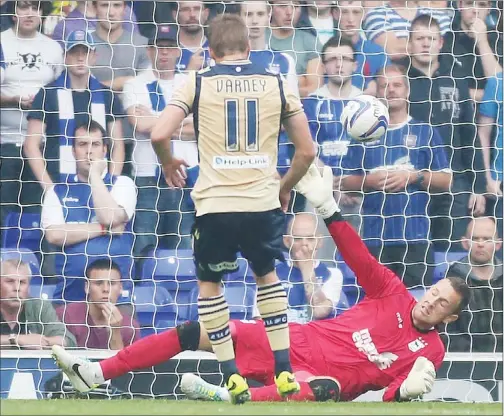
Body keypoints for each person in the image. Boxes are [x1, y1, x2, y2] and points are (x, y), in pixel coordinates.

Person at [52, 164, 471, 403]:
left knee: (321, 390)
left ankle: (226, 397)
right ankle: (96, 371)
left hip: (327, 380)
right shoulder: (393, 293)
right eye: (433, 292)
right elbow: (357, 255)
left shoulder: (430, 351)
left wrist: (404, 395)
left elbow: (385, 397)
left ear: (448, 318)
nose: (429, 301)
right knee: (198, 331)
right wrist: (327, 207)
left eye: (440, 304)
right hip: (292, 341)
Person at [149, 13, 315, 403]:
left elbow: (158, 132)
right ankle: (285, 369)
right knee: (267, 276)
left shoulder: (198, 80)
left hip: (215, 205)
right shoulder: (277, 81)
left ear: (210, 51)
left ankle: (230, 374)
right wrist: (284, 186)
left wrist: (168, 162)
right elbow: (307, 151)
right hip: (261, 203)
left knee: (211, 285)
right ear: (250, 48)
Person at [342, 64, 452, 288]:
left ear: (407, 90)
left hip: (416, 238)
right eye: (385, 85)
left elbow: (447, 181)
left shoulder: (425, 131)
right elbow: (343, 182)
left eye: (397, 84)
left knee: (415, 307)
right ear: (377, 92)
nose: (391, 90)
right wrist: (369, 181)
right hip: (375, 239)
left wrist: (413, 177)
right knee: (378, 307)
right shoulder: (362, 132)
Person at [407, 14, 487, 251]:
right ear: (409, 44)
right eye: (419, 38)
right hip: (412, 183)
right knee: (416, 256)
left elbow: (469, 136)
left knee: (452, 257)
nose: (425, 44)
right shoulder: (399, 81)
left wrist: (479, 187)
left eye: (431, 39)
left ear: (441, 43)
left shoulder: (457, 80)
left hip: (456, 183)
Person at [41, 119, 136, 302]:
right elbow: (54, 235)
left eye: (96, 144)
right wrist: (102, 229)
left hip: (118, 301)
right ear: (73, 150)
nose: (89, 151)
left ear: (105, 150)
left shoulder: (122, 183)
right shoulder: (57, 190)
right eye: (82, 144)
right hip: (69, 297)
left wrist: (94, 175)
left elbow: (107, 216)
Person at [122, 24, 196, 255]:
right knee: (145, 243)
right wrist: (181, 122)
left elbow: (202, 126)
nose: (163, 52)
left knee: (184, 242)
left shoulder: (192, 82)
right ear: (149, 51)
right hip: (148, 176)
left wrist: (157, 122)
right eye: (157, 47)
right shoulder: (134, 84)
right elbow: (140, 124)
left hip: (186, 173)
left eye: (169, 47)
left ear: (178, 51)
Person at [23, 29, 125, 193]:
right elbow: (31, 146)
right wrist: (50, 189)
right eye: (74, 52)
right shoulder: (47, 93)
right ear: (65, 57)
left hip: (100, 184)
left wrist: (111, 184)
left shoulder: (107, 95)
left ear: (94, 57)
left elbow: (117, 145)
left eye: (85, 52)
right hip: (57, 182)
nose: (79, 58)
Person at [0, 0, 63, 225]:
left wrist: (43, 105)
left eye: (35, 8)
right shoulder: (2, 42)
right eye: (23, 7)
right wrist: (13, 100)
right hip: (5, 142)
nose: (29, 13)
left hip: (43, 145)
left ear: (42, 13)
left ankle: (32, 259)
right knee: (4, 210)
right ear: (13, 13)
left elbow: (62, 92)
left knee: (36, 210)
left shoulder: (54, 48)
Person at [252, 212, 344, 323]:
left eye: (310, 239)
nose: (304, 244)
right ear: (287, 241)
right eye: (297, 239)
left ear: (319, 242)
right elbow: (259, 320)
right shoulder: (271, 274)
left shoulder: (332, 274)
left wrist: (307, 269)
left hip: (315, 338)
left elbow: (319, 312)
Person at [442, 217, 502, 353]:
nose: (480, 244)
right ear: (465, 243)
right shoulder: (452, 279)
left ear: (498, 244)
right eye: (475, 238)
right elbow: (446, 328)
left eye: (486, 239)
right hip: (465, 360)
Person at [56, 259, 139, 350]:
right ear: (87, 287)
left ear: (120, 288)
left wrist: (115, 332)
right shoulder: (65, 315)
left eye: (112, 283)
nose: (106, 289)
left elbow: (125, 363)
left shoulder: (130, 326)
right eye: (99, 283)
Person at [0, 258, 76, 349]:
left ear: (28, 287)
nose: (17, 288)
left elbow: (69, 341)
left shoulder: (39, 307)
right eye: (10, 281)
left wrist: (40, 341)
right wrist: (17, 339)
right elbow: (21, 340)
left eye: (22, 282)